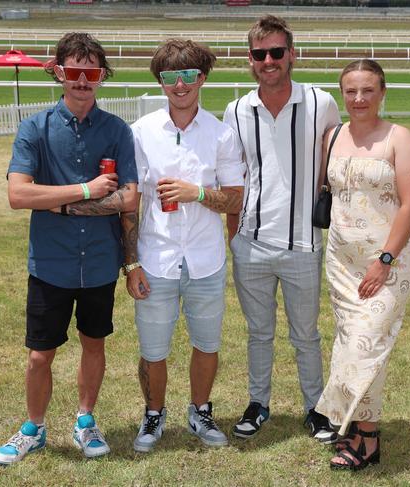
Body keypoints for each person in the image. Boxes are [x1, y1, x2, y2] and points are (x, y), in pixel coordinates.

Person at [0, 32, 138, 465]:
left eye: (91, 72)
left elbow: (129, 198)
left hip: (98, 263)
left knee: (95, 345)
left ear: (101, 77)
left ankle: (85, 421)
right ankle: (33, 428)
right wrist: (85, 190)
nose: (82, 80)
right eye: (74, 71)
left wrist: (64, 205)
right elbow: (18, 195)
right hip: (50, 263)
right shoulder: (35, 128)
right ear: (58, 71)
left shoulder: (116, 131)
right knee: (40, 354)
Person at [222, 15, 341, 442]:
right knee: (258, 333)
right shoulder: (237, 109)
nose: (268, 61)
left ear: (292, 54)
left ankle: (316, 408)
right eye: (260, 54)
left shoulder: (321, 102)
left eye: (276, 52)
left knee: (306, 335)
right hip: (250, 244)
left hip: (302, 245)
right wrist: (232, 237)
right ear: (250, 60)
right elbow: (233, 178)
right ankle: (258, 404)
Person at [123, 39, 244, 453]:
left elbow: (235, 199)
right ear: (160, 82)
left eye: (188, 75)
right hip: (156, 259)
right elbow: (130, 202)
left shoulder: (221, 134)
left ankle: (200, 411)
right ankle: (154, 414)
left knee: (206, 343)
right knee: (153, 348)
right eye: (170, 76)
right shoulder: (140, 133)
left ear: (202, 78)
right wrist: (131, 263)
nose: (179, 85)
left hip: (206, 260)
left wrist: (197, 193)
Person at [315, 59, 410, 471]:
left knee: (367, 342)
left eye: (368, 90)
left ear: (382, 92)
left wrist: (385, 260)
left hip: (386, 263)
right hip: (341, 261)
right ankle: (362, 431)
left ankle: (367, 437)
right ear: (343, 94)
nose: (359, 99)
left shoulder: (400, 138)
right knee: (351, 345)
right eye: (351, 91)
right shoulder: (332, 136)